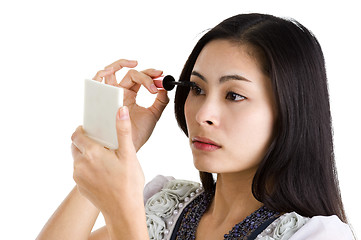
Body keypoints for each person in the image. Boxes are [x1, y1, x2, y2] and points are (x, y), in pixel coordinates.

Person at [37, 13, 355, 240]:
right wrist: (110, 148)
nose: (204, 114)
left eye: (234, 95)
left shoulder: (317, 235)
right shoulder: (165, 206)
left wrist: (123, 213)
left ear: (290, 111)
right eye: (197, 89)